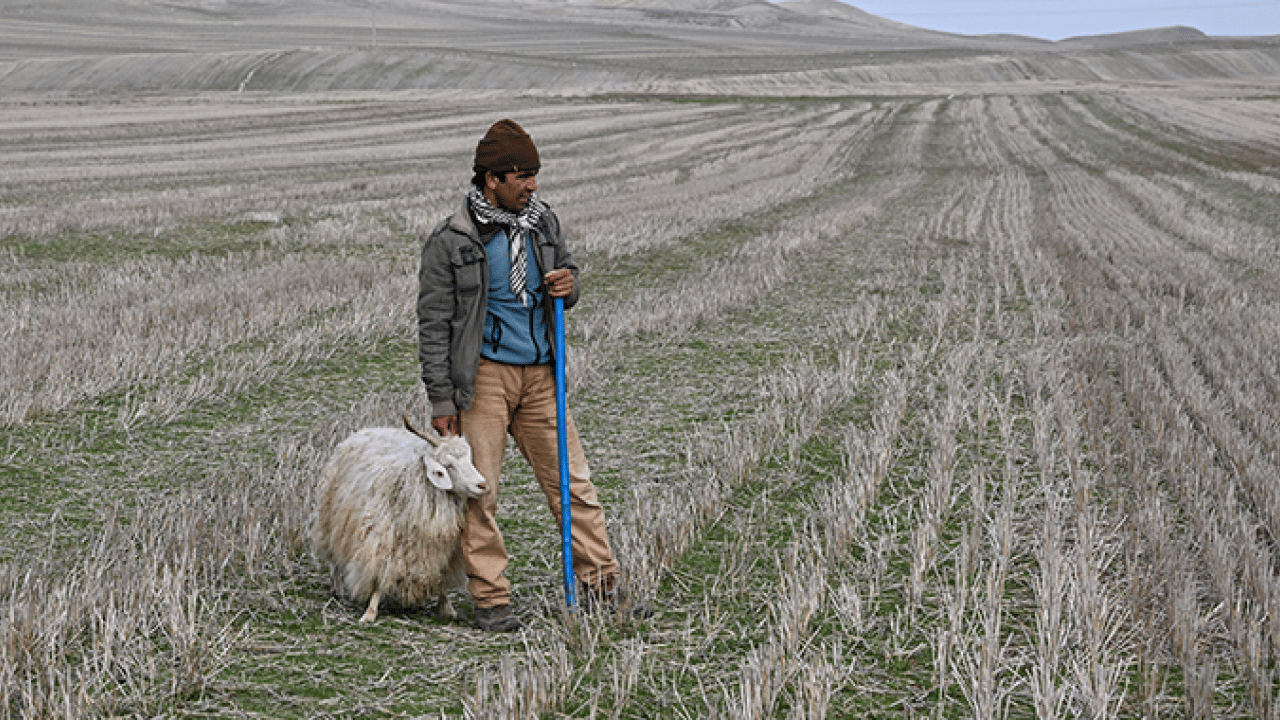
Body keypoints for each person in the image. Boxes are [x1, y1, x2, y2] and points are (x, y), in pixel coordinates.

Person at [416, 119, 651, 632]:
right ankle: (492, 601)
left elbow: (569, 280)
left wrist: (569, 286)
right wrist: (441, 401)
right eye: (522, 176)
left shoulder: (544, 225)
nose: (533, 185)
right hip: (483, 381)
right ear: (490, 179)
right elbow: (433, 324)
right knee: (481, 493)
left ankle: (603, 589)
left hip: (543, 377)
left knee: (574, 486)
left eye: (535, 174)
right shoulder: (451, 240)